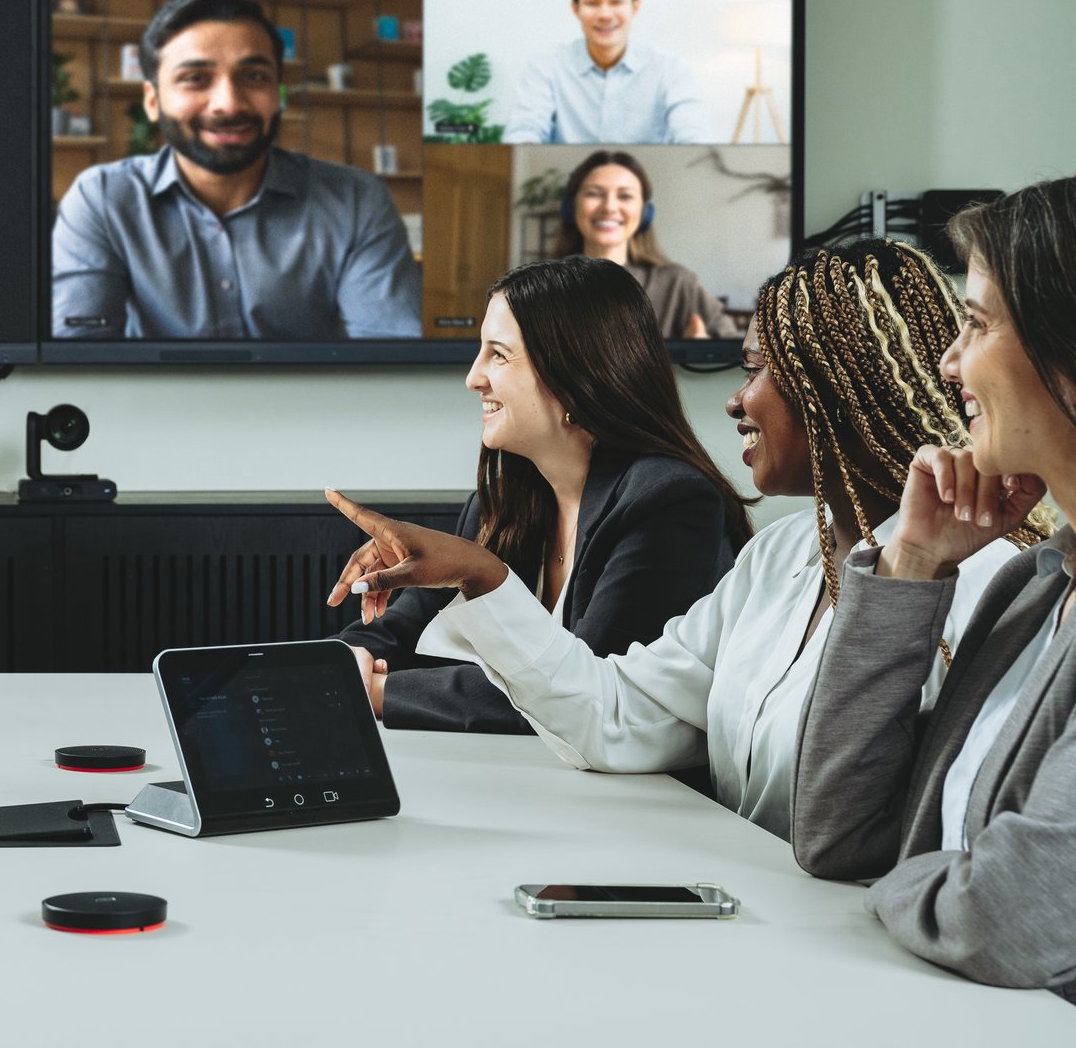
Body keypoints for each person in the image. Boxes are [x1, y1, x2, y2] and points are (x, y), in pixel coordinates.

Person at [346, 240, 1036, 840]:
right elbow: (615, 716)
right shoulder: (778, 556)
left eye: (758, 369)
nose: (737, 400)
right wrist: (487, 578)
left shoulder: (978, 585)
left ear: (834, 390)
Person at [791, 181, 1076, 999]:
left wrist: (912, 880)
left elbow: (1005, 919)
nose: (949, 360)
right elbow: (837, 831)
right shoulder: (1032, 589)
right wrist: (914, 563)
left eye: (978, 323)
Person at [328, 256, 751, 733]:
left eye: (498, 354)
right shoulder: (502, 503)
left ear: (575, 371)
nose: (473, 377)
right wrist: (334, 668)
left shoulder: (668, 503)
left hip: (648, 799)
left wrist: (379, 693)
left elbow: (581, 694)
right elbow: (403, 634)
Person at [51, 0, 421, 340]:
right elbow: (80, 351)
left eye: (254, 77)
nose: (228, 103)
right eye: (195, 79)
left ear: (278, 93)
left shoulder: (355, 200)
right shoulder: (102, 198)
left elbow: (391, 350)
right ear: (152, 100)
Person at [506, 0, 716, 146]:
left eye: (616, 1)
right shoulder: (546, 66)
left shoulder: (669, 68)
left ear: (635, 7)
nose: (605, 14)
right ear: (575, 9)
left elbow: (692, 129)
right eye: (591, 3)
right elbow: (526, 128)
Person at [552, 149, 740, 338]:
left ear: (644, 212)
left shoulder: (678, 285)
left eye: (625, 196)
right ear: (571, 207)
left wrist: (705, 353)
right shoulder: (543, 287)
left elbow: (741, 355)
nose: (609, 207)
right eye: (594, 193)